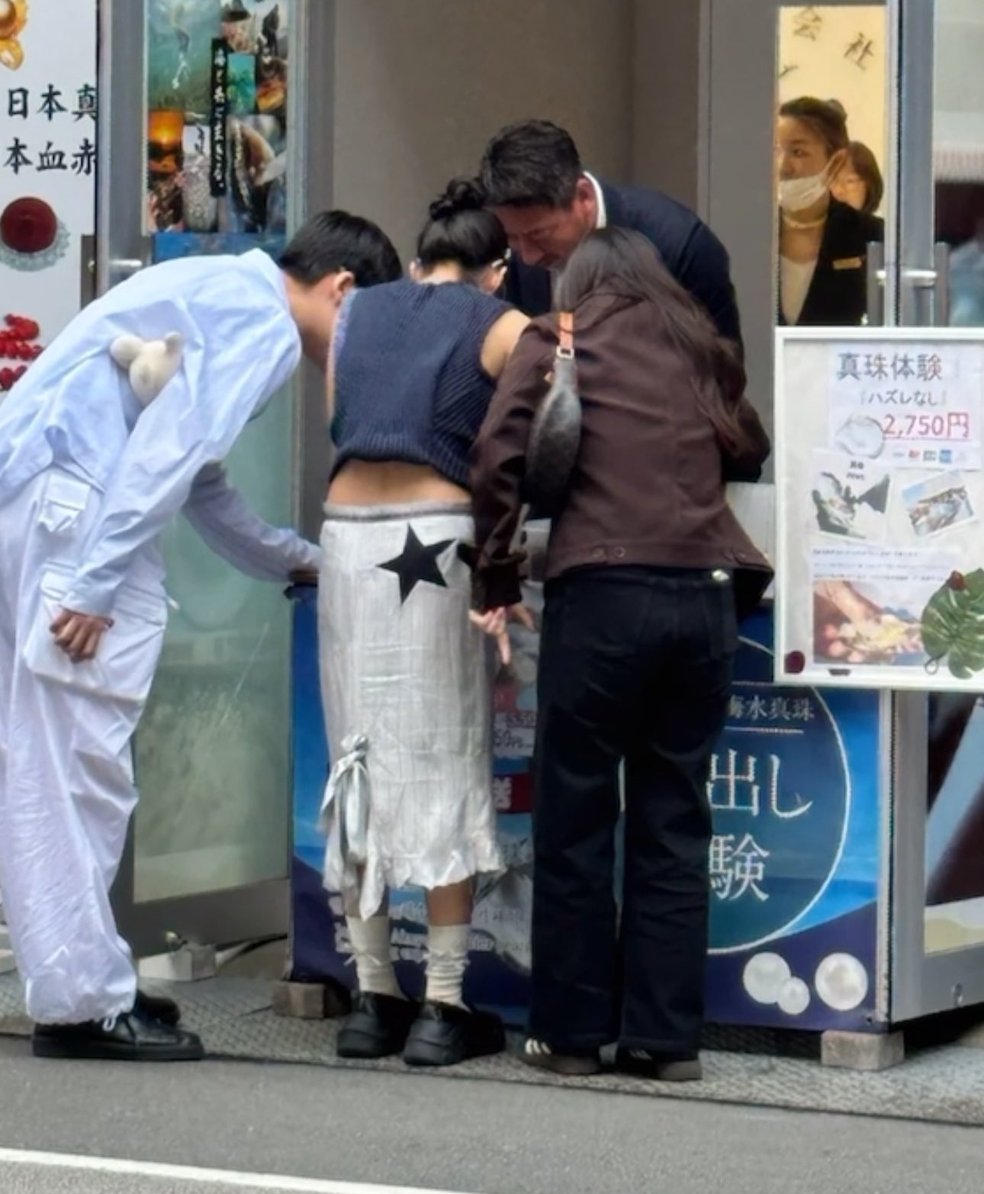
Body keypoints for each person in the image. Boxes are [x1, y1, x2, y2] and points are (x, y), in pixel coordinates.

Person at [0, 210, 402, 1062]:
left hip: (37, 509)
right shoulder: (260, 323)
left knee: (49, 761)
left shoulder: (210, 290)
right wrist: (97, 582)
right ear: (343, 288)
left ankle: (85, 982)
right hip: (80, 523)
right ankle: (83, 1005)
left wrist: (296, 561)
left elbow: (198, 480)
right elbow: (168, 458)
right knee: (79, 772)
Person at [467, 227, 771, 1079]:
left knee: (577, 815)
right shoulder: (700, 348)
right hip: (705, 598)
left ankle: (569, 1037)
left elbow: (498, 455)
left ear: (583, 280)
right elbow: (750, 444)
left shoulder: (558, 335)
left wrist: (494, 576)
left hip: (602, 599)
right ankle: (665, 1042)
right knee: (674, 815)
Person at [319, 179, 529, 1068]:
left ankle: (373, 999)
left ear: (415, 261)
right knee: (445, 752)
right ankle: (442, 1008)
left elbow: (340, 415)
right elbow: (535, 427)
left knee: (355, 758)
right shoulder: (503, 320)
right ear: (496, 272)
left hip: (343, 538)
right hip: (436, 540)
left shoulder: (355, 314)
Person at [479, 119, 742, 348]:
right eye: (513, 237)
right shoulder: (512, 257)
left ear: (583, 196)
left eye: (540, 234)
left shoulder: (679, 245)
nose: (528, 257)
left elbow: (721, 377)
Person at [776, 98, 883, 326]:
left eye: (798, 152)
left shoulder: (873, 237)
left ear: (836, 162)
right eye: (775, 150)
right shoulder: (744, 234)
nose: (783, 167)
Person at [830, 140, 884, 217]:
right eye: (832, 180)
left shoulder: (887, 227)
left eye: (850, 181)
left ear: (869, 184)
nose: (838, 191)